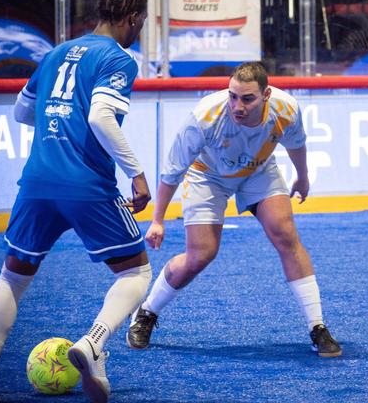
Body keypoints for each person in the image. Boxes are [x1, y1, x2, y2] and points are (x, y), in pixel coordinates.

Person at [0, 0, 151, 403]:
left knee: (12, 277)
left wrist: (59, 123)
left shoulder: (55, 53)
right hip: (86, 183)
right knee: (136, 272)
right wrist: (137, 173)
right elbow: (101, 117)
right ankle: (93, 343)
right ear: (131, 18)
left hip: (37, 182)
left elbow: (22, 111)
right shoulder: (117, 58)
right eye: (140, 22)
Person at [128, 62, 342, 358]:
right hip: (207, 176)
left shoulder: (286, 109)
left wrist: (302, 177)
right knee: (200, 256)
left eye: (247, 99)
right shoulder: (204, 116)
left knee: (285, 235)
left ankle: (317, 327)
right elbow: (172, 172)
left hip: (258, 171)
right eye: (232, 96)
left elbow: (296, 144)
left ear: (266, 95)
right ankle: (147, 311)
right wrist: (157, 220)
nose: (237, 106)